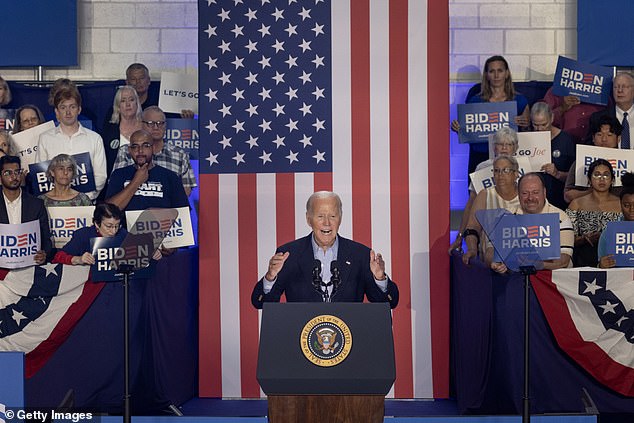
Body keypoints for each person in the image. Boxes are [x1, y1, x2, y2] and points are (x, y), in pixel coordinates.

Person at [251, 191, 399, 308]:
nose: (327, 223)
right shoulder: (289, 254)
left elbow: (388, 303)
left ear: (340, 218)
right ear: (308, 219)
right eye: (320, 216)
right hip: (302, 339)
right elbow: (261, 302)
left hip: (349, 339)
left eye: (333, 216)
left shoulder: (360, 255)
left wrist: (379, 278)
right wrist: (270, 277)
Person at [451, 56, 530, 174]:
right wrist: (458, 128)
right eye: (492, 71)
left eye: (500, 71)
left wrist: (525, 124)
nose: (496, 75)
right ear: (487, 75)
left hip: (508, 159)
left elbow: (527, 131)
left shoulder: (520, 100)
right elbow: (468, 131)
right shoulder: (474, 101)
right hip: (479, 157)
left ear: (507, 73)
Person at [449, 127, 519, 253]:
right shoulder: (482, 167)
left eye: (508, 144)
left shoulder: (525, 168)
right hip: (488, 230)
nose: (504, 148)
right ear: (494, 147)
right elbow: (471, 204)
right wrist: (460, 236)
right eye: (500, 144)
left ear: (515, 148)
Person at [487, 172, 574, 272]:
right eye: (525, 193)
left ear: (544, 192)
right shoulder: (505, 216)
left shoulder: (561, 217)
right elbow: (490, 250)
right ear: (518, 195)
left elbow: (564, 260)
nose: (530, 198)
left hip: (551, 279)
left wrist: (536, 264)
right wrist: (495, 262)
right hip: (514, 278)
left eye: (535, 192)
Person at [35, 87, 107, 201]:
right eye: (63, 107)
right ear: (56, 112)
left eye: (72, 107)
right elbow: (42, 175)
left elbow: (100, 176)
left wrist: (83, 199)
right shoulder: (45, 138)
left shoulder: (95, 138)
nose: (68, 112)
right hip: (52, 204)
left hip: (86, 203)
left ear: (79, 109)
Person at [112, 106, 197, 196]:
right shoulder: (126, 151)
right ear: (141, 124)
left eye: (160, 123)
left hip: (168, 208)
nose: (156, 127)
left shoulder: (179, 154)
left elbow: (186, 189)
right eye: (151, 123)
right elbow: (116, 186)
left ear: (166, 125)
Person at [52, 202, 161, 266]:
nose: (113, 231)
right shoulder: (83, 235)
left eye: (117, 226)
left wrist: (152, 252)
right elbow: (57, 257)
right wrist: (78, 259)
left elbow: (140, 249)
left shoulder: (122, 234)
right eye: (108, 226)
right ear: (97, 224)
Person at [105, 129, 189, 212]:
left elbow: (183, 214)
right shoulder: (119, 174)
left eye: (146, 145)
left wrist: (154, 215)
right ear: (130, 150)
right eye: (135, 146)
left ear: (153, 148)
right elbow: (108, 211)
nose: (140, 150)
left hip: (161, 224)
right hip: (125, 225)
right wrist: (136, 182)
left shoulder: (170, 177)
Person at [461, 155, 520, 264]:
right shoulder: (485, 195)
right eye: (496, 171)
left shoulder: (524, 194)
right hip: (491, 254)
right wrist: (472, 249)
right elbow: (472, 228)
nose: (500, 175)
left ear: (516, 173)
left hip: (520, 251)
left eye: (505, 170)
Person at [566, 159, 621, 267]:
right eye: (597, 175)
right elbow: (567, 238)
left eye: (606, 175)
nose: (601, 179)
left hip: (614, 260)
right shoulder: (576, 204)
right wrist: (584, 239)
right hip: (584, 259)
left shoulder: (621, 204)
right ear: (589, 179)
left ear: (612, 180)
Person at [0, 155, 53, 265]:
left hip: (29, 268)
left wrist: (44, 254)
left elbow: (46, 240)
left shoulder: (36, 204)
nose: (14, 176)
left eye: (17, 172)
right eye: (8, 173)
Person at [564, 115, 621, 203]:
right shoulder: (581, 161)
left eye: (609, 135)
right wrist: (592, 191)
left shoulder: (629, 161)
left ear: (618, 139)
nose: (604, 139)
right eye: (599, 134)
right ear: (593, 138)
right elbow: (567, 195)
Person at [530, 102, 575, 210]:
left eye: (543, 124)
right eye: (535, 125)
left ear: (552, 118)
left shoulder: (566, 140)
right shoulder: (526, 138)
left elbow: (575, 177)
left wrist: (558, 173)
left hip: (558, 200)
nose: (539, 129)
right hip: (533, 200)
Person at [101, 85, 143, 175]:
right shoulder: (110, 130)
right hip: (117, 179)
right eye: (123, 101)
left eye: (131, 100)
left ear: (137, 103)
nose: (128, 104)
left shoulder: (146, 127)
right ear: (118, 106)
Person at [598, 172, 634, 268]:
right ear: (620, 205)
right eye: (626, 205)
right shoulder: (609, 232)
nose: (631, 210)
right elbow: (601, 266)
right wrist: (601, 265)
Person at [588, 72, 634, 146]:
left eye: (625, 87)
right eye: (616, 87)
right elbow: (589, 147)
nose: (619, 90)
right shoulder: (597, 117)